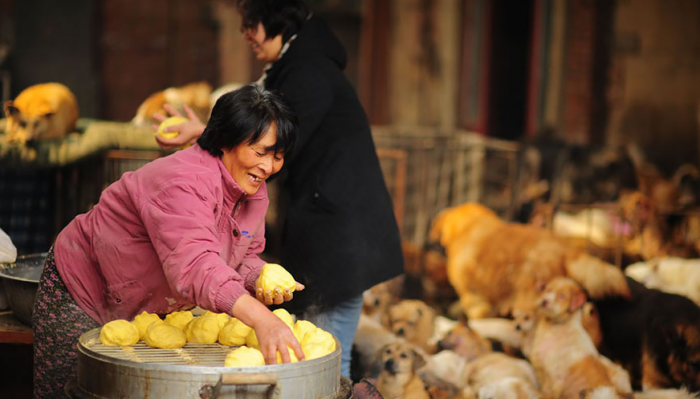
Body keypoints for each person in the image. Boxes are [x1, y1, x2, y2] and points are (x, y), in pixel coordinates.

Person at [156, 0, 404, 378]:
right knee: (320, 352)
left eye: (251, 23)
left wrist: (210, 139)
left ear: (275, 19)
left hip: (339, 237)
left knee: (324, 359)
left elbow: (269, 146)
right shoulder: (296, 65)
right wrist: (207, 134)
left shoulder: (308, 71)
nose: (246, 34)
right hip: (336, 226)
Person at [32, 85, 302, 398]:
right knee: (71, 391)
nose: (268, 167)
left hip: (143, 304)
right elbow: (196, 266)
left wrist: (263, 279)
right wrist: (263, 321)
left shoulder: (251, 189)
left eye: (278, 156)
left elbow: (242, 257)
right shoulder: (183, 183)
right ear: (226, 142)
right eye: (260, 153)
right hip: (82, 289)